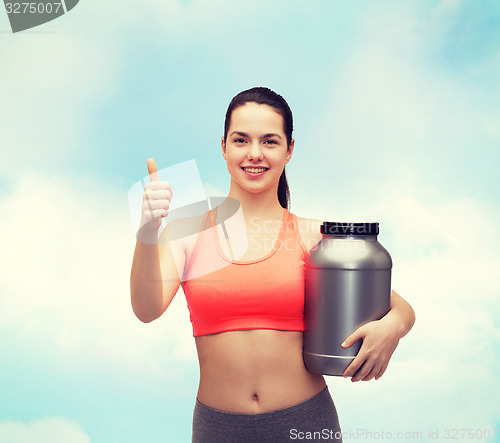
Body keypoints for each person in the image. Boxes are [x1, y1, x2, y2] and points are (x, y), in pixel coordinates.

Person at [130, 87, 416, 442]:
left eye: (269, 141)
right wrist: (148, 229)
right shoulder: (187, 233)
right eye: (240, 140)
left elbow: (396, 306)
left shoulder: (313, 237)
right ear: (223, 147)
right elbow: (146, 309)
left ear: (289, 150)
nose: (254, 154)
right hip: (218, 429)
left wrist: (393, 328)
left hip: (306, 422)